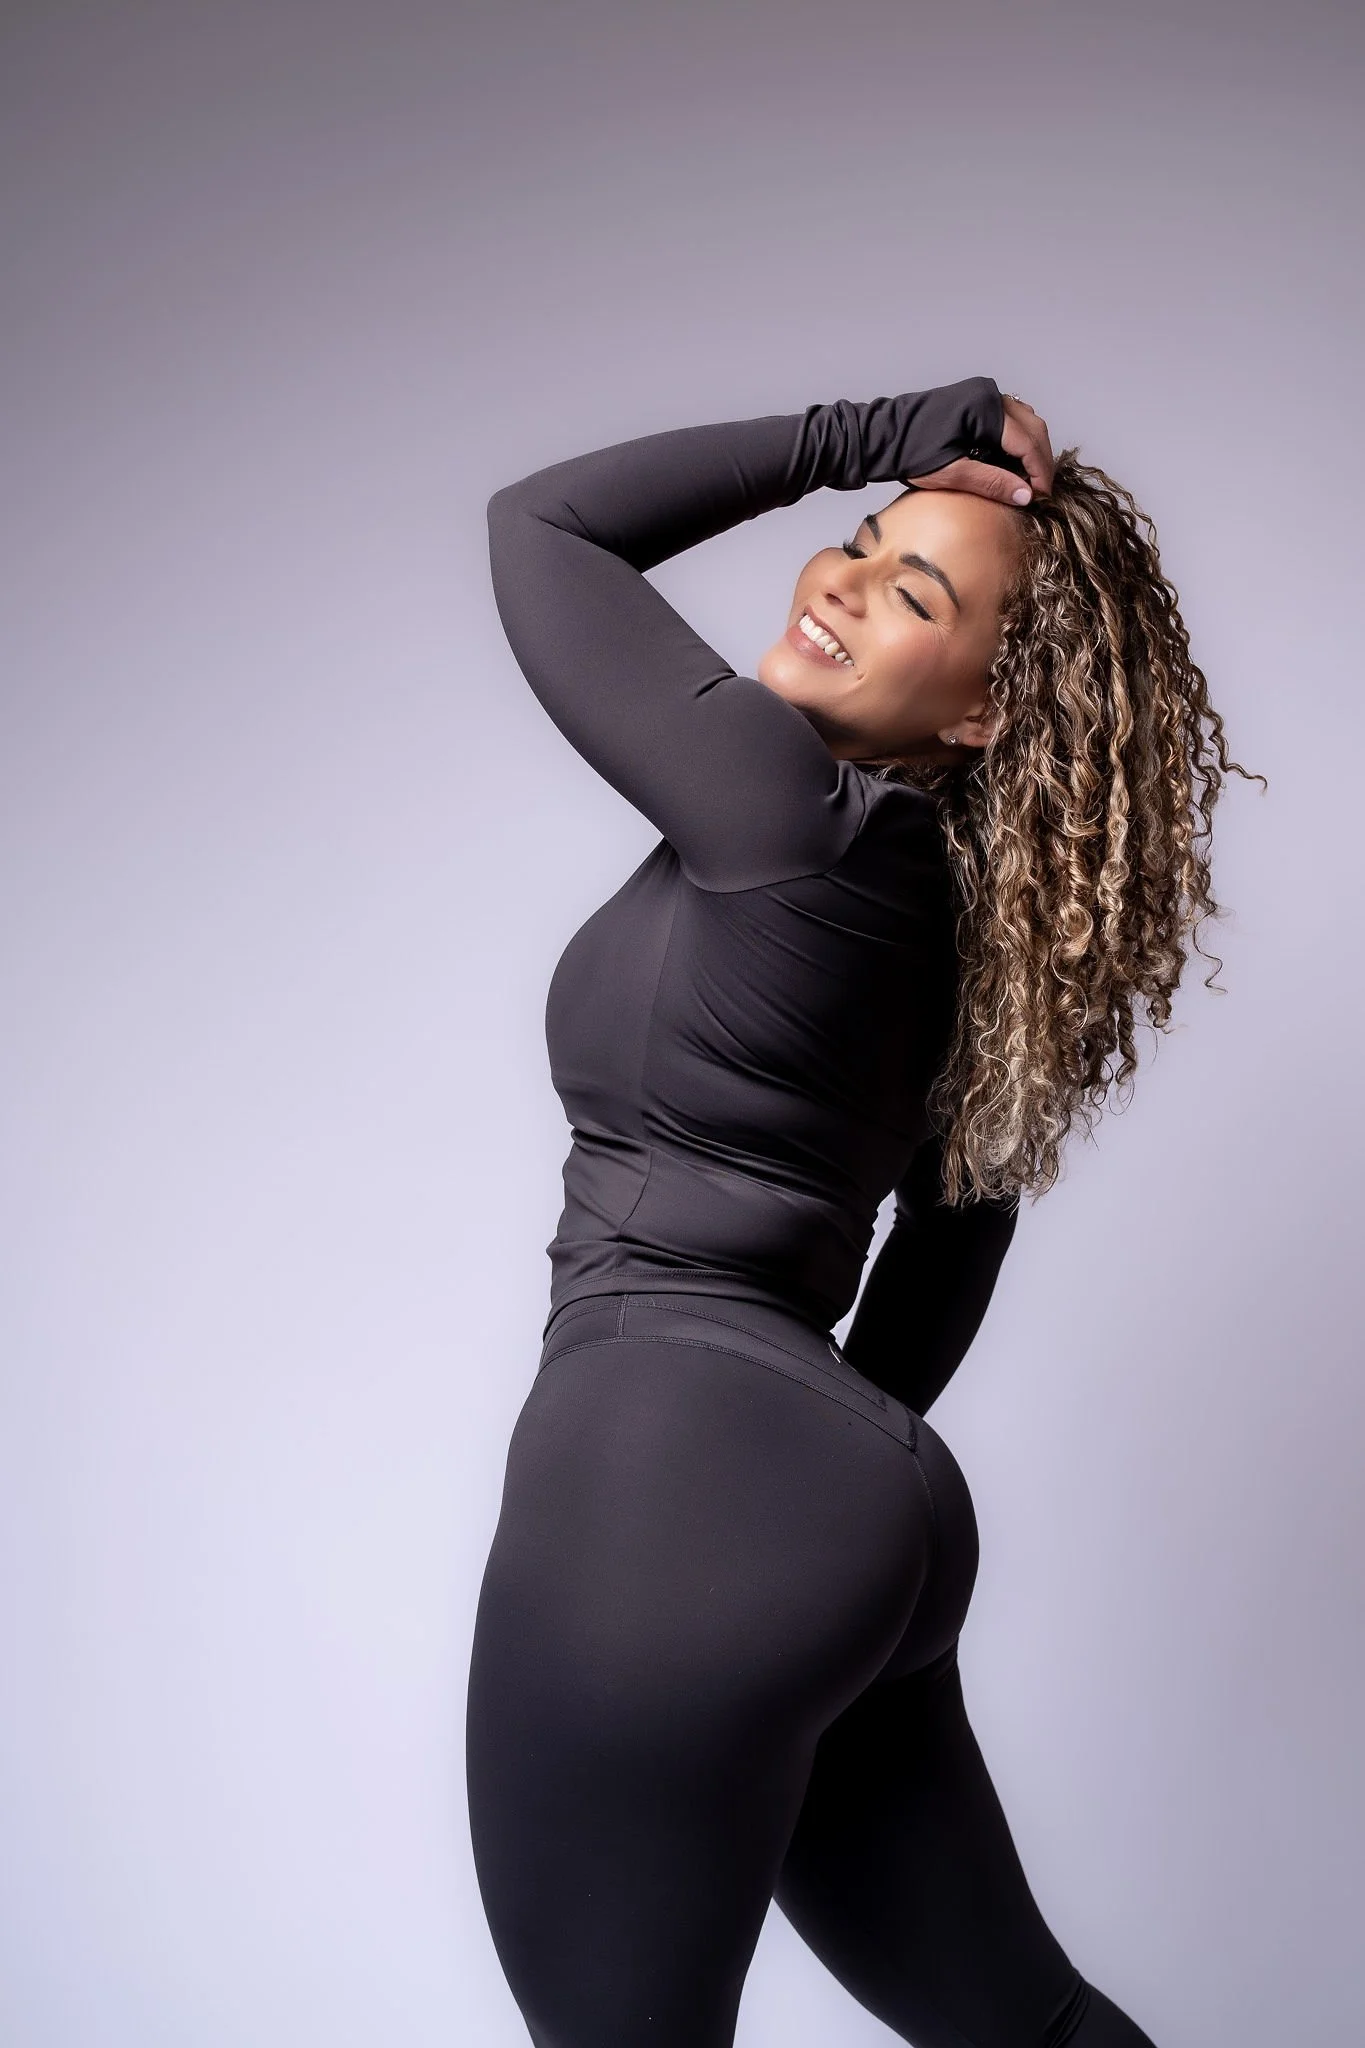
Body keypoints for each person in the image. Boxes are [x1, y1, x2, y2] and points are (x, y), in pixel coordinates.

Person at [464, 375, 1262, 2048]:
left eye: (914, 595)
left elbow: (540, 529)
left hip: (669, 1455)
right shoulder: (959, 930)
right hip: (836, 1497)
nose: (834, 583)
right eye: (855, 546)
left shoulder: (778, 812)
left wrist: (864, 436)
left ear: (981, 714)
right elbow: (958, 1238)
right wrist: (828, 1506)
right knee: (1023, 2026)